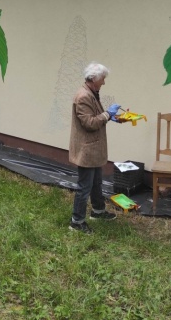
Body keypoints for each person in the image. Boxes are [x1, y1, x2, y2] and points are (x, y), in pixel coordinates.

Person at [69, 62, 121, 233]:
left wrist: (111, 117)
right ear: (93, 78)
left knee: (97, 182)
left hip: (94, 148)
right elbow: (90, 123)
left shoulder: (92, 92)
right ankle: (76, 222)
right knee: (84, 186)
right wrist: (107, 114)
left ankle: (98, 211)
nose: (104, 82)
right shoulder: (83, 96)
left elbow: (95, 116)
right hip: (87, 149)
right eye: (102, 79)